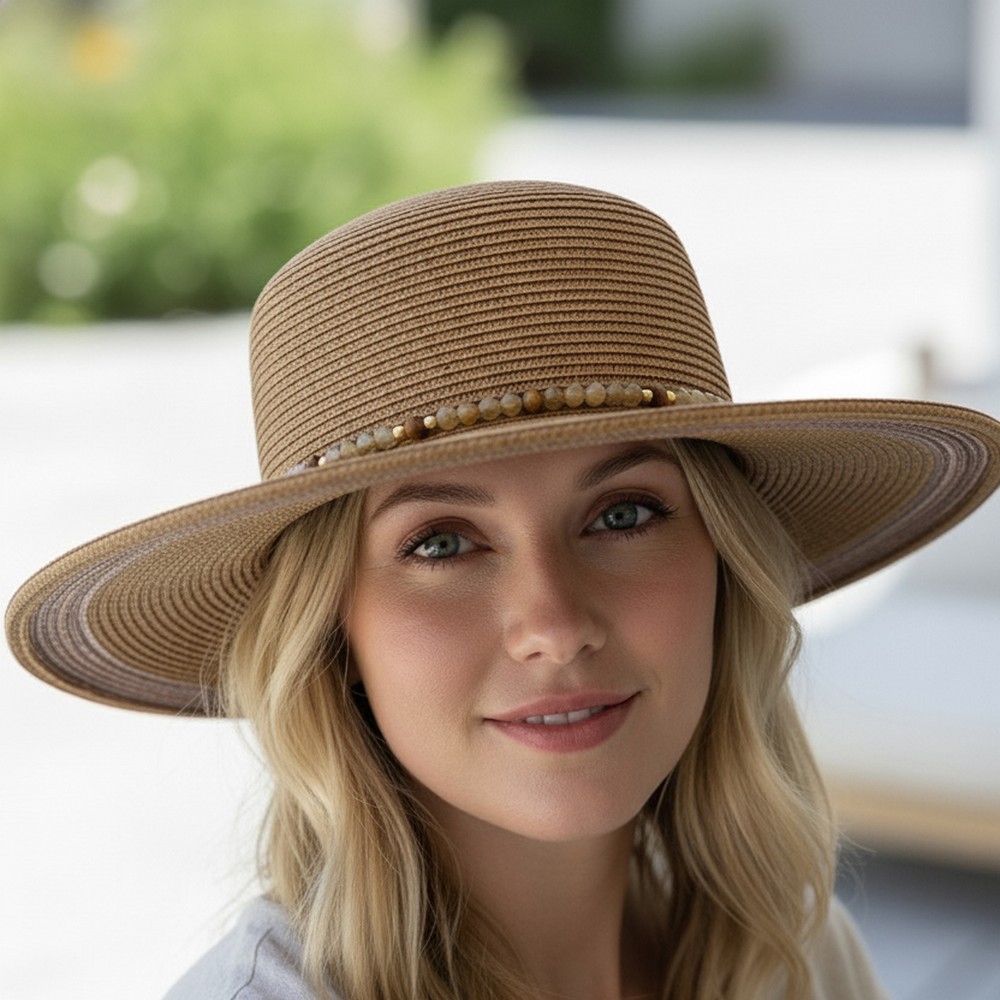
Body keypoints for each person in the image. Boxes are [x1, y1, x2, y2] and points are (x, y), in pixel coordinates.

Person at [7, 181, 1000, 1000]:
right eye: (442, 541)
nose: (555, 626)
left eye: (623, 514)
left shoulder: (794, 956)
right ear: (333, 633)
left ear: (724, 566)